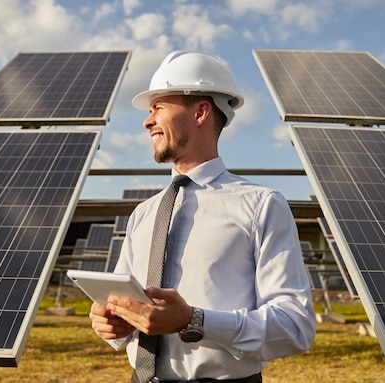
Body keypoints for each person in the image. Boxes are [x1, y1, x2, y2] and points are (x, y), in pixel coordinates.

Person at [89, 50, 316, 383]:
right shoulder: (143, 214)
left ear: (201, 112)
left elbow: (296, 325)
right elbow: (122, 306)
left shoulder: (261, 205)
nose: (147, 121)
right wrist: (109, 322)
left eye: (159, 108)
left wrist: (194, 320)